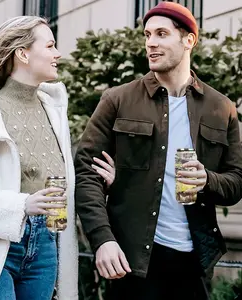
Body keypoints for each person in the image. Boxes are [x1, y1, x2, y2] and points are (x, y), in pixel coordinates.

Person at [74, 2, 242, 300]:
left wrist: (208, 181)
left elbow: (236, 182)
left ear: (188, 40)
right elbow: (86, 172)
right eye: (148, 35)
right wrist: (102, 240)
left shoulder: (221, 108)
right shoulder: (117, 99)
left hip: (194, 262)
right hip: (134, 261)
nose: (151, 42)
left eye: (162, 34)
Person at [0, 16, 112, 300]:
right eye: (50, 45)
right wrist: (21, 205)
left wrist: (101, 185)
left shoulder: (54, 111)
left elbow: (58, 184)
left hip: (46, 243)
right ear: (22, 53)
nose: (58, 54)